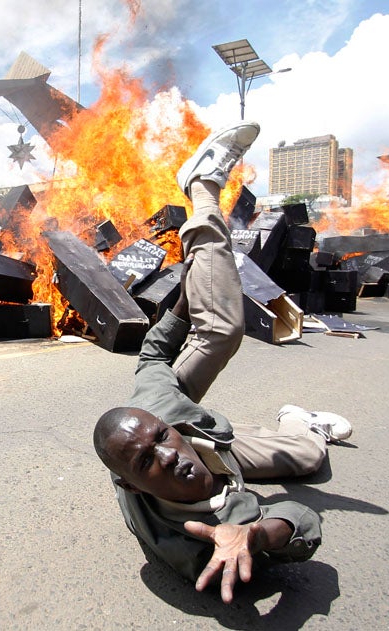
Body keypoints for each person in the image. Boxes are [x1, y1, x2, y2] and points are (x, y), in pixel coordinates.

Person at [92, 122, 353, 604]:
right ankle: (298, 423)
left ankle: (202, 187)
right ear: (128, 481)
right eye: (148, 461)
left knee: (220, 332)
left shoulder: (158, 410)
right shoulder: (199, 541)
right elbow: (303, 523)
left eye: (161, 440)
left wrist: (186, 301)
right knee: (311, 457)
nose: (169, 454)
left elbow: (153, 354)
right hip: (222, 454)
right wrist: (256, 535)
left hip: (204, 433)